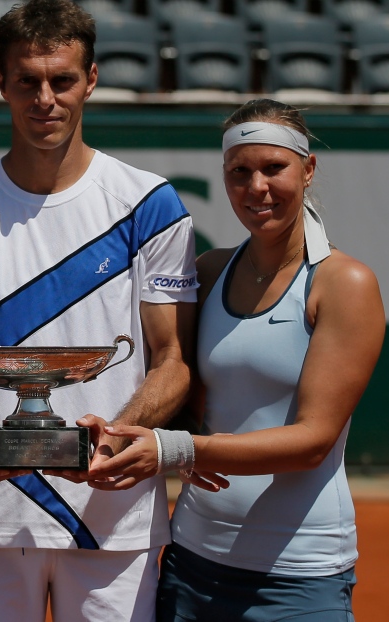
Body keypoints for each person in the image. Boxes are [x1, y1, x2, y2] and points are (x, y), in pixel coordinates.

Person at [0, 1, 198, 619]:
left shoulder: (150, 205)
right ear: (1, 82)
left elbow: (171, 360)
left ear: (90, 79)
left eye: (61, 79)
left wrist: (116, 435)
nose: (45, 98)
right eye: (27, 81)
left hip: (113, 513)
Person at [85, 99, 384, 621]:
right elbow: (182, 389)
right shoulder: (210, 268)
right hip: (193, 563)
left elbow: (314, 441)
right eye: (239, 172)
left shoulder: (345, 284)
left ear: (308, 169)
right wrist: (121, 432)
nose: (257, 188)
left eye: (274, 168)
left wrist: (178, 449)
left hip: (299, 576)